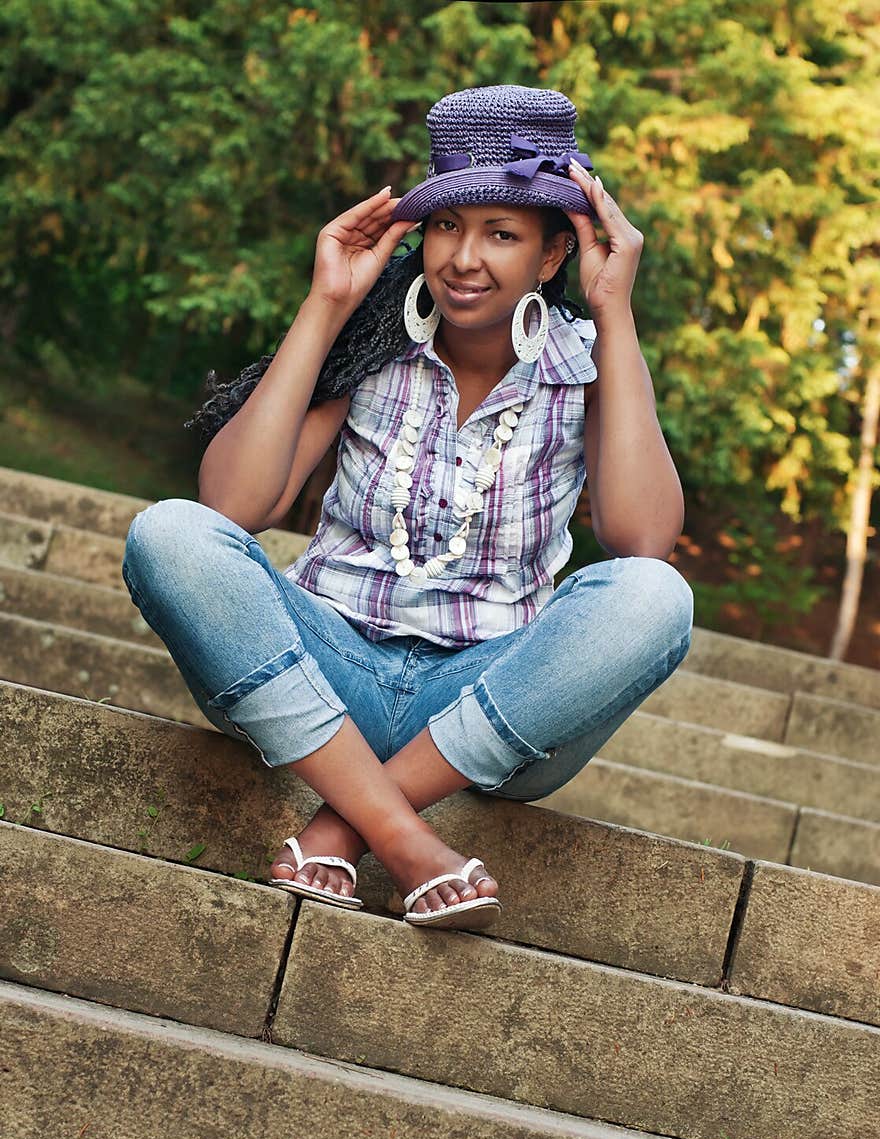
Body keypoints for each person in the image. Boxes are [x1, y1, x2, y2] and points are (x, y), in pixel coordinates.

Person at [122, 84, 692, 932]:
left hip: (486, 699)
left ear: (550, 256)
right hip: (322, 669)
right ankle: (406, 839)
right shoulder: (373, 338)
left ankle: (340, 824)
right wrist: (328, 303)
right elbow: (234, 504)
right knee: (166, 532)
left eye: (502, 234)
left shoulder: (587, 363)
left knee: (657, 599)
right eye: (448, 226)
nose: (465, 258)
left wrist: (615, 315)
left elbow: (642, 538)